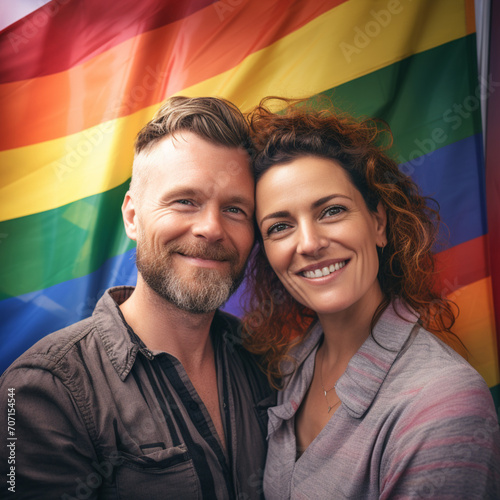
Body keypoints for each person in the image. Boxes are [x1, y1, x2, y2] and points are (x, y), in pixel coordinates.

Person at [0, 96, 273, 499]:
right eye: (185, 201)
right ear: (132, 216)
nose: (211, 228)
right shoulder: (41, 392)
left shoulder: (269, 362)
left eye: (235, 209)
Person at [241, 97, 500, 499]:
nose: (308, 244)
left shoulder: (443, 402)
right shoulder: (290, 367)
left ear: (378, 223)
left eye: (331, 211)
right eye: (279, 227)